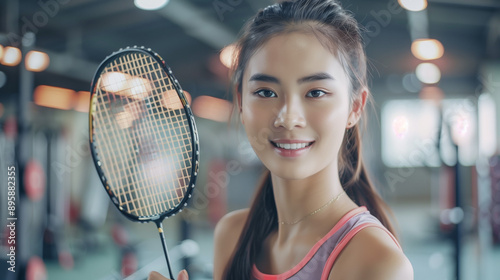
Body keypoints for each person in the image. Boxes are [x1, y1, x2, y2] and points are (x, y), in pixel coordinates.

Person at [149, 0, 414, 279]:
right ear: (241, 103)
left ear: (354, 108)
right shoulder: (232, 236)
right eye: (265, 92)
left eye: (315, 93)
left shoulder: (376, 263)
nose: (287, 118)